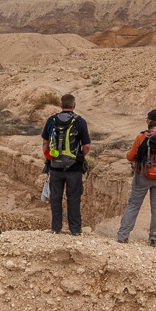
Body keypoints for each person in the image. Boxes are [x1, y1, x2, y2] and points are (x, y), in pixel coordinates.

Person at [116, 109, 156, 246]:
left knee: (133, 206)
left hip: (142, 176)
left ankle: (123, 236)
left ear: (149, 122)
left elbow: (130, 156)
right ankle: (155, 239)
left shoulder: (141, 137)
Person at [41, 93, 92, 235]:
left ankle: (55, 229)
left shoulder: (51, 120)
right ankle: (75, 230)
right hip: (74, 168)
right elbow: (86, 145)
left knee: (56, 198)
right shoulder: (80, 121)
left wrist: (49, 157)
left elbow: (45, 142)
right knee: (74, 198)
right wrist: (79, 157)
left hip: (55, 167)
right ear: (74, 105)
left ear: (60, 105)